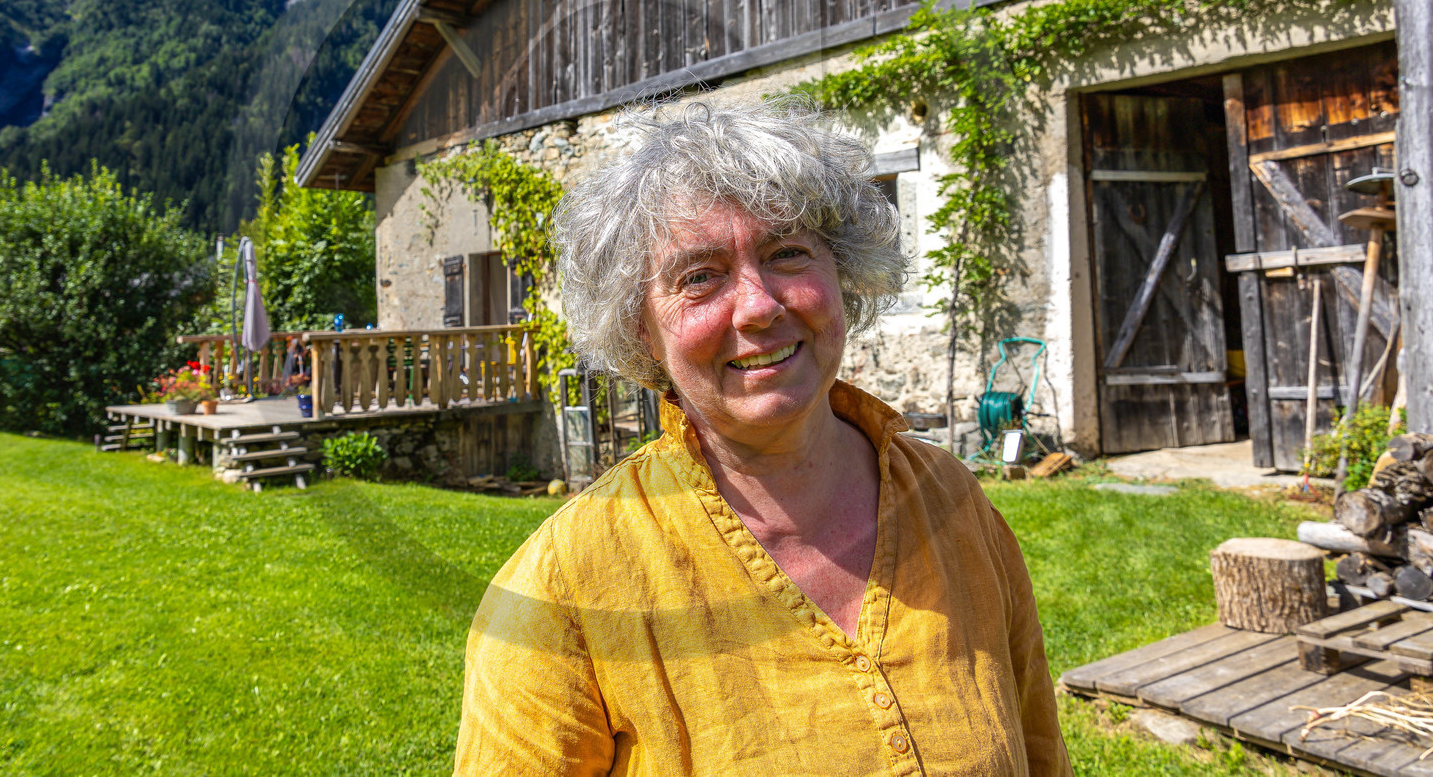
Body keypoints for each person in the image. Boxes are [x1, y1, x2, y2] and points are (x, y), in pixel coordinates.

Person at [455, 100, 1071, 775]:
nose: (758, 305)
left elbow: (1040, 751)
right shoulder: (563, 587)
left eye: (787, 253)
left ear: (843, 273)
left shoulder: (950, 500)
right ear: (641, 330)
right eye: (700, 276)